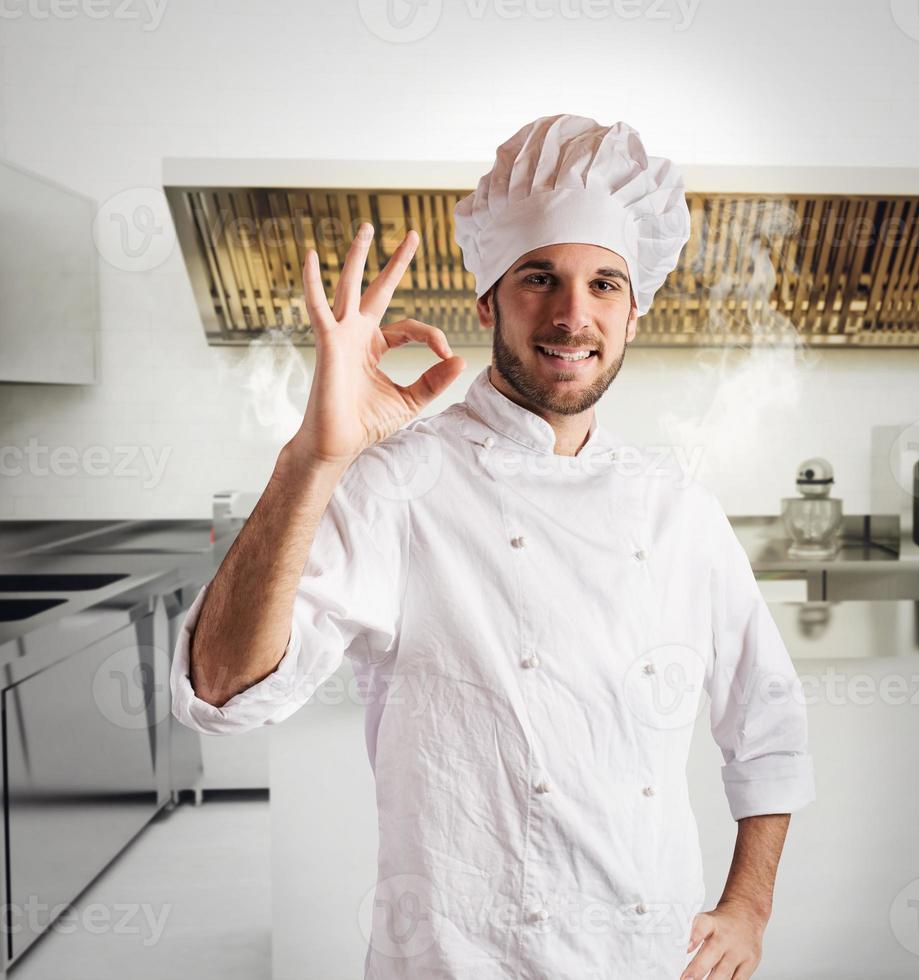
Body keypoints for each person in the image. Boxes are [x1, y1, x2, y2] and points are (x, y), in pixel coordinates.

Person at [171, 113, 816, 980]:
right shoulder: (400, 482)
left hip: (646, 952)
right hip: (457, 958)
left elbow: (767, 719)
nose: (572, 313)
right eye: (539, 277)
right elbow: (220, 690)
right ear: (488, 301)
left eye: (605, 285)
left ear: (634, 314)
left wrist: (748, 908)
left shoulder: (678, 508)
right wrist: (313, 459)